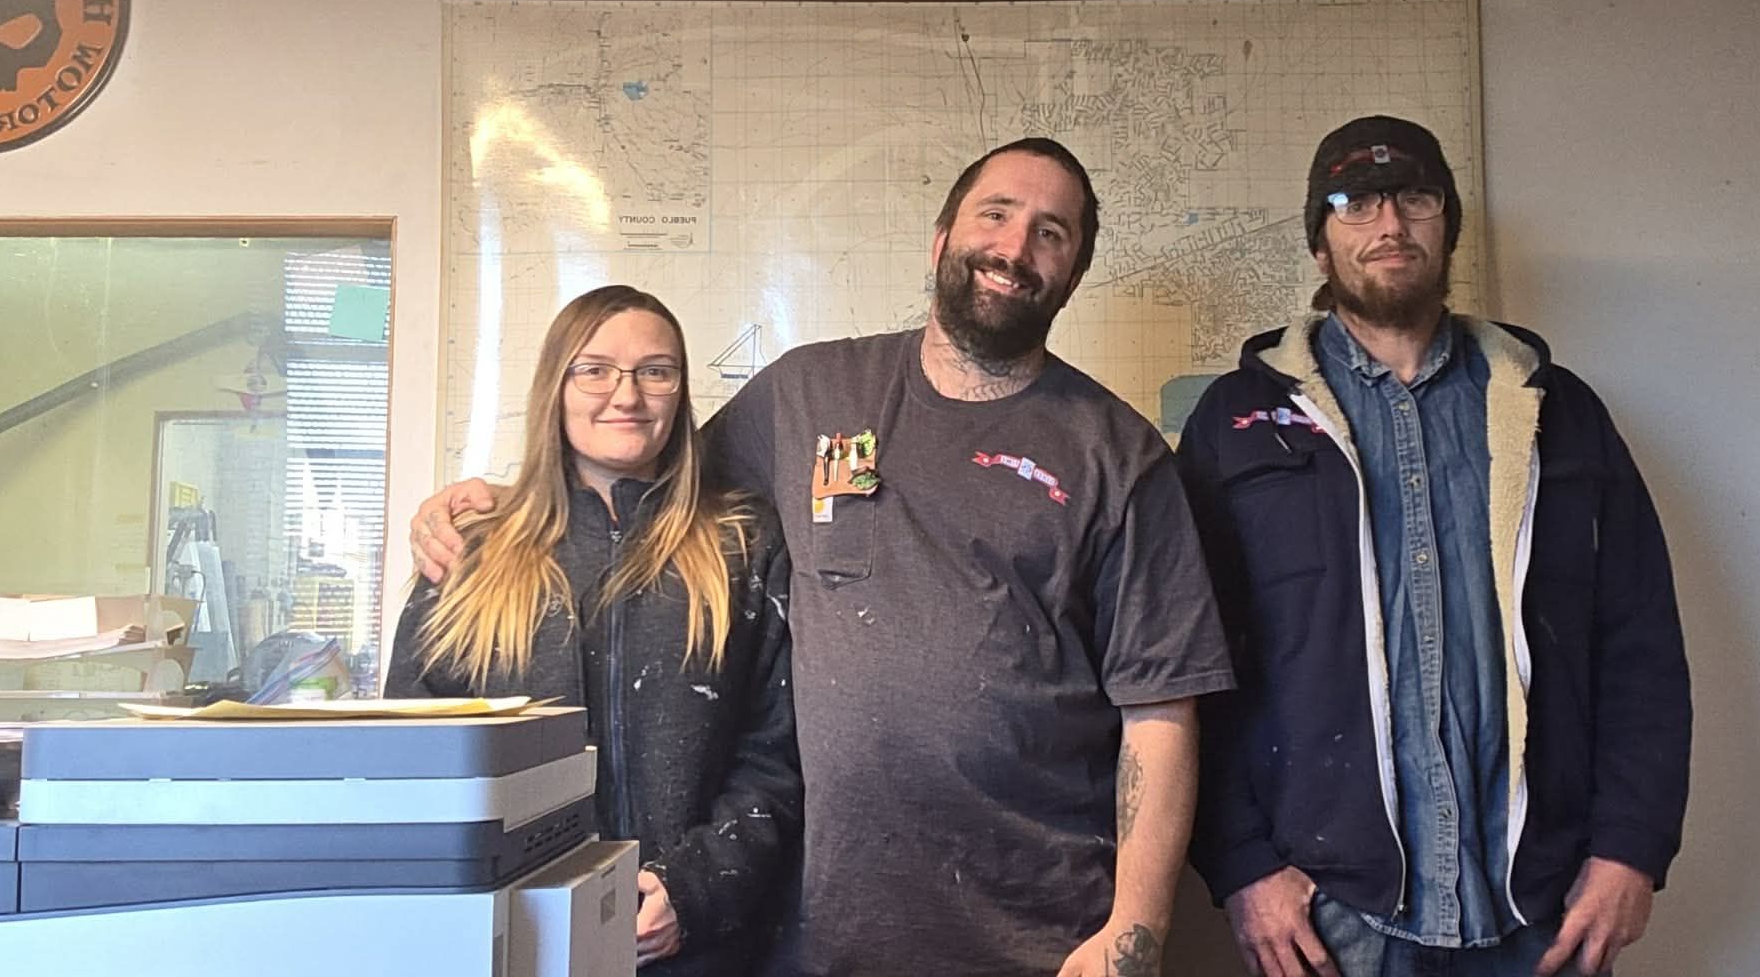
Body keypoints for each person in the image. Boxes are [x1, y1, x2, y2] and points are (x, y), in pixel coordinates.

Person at [411, 138, 1235, 977]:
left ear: (1072, 272)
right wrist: (492, 506)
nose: (1016, 248)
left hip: (1037, 936)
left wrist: (1135, 931)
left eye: (1051, 233)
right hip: (817, 934)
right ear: (942, 238)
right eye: (996, 214)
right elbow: (646, 477)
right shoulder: (807, 393)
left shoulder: (1119, 455)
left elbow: (1162, 713)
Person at [1178, 116, 1691, 977]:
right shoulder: (1236, 425)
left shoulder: (1559, 413)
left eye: (1415, 198)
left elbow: (1639, 642)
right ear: (1319, 243)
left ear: (1446, 224)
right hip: (1331, 911)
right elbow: (1189, 662)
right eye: (1355, 203)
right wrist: (1244, 868)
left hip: (1545, 899)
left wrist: (1632, 848)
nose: (1389, 226)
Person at [387, 285, 797, 977]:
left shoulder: (743, 546)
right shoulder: (470, 553)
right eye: (595, 369)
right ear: (557, 387)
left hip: (698, 951)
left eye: (655, 371)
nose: (627, 395)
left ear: (680, 393)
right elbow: (415, 755)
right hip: (513, 945)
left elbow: (777, 754)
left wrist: (692, 890)